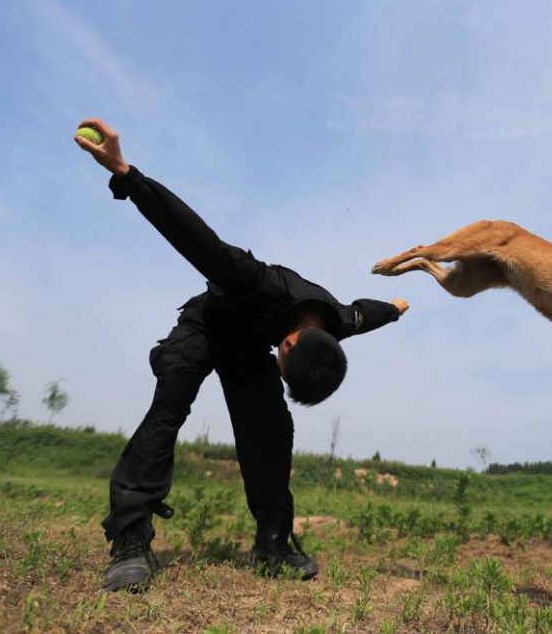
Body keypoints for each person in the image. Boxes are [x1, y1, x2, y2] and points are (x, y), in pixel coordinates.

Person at [74, 118, 409, 592]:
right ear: (288, 345)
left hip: (245, 346)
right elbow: (194, 236)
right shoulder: (255, 281)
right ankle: (130, 537)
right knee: (169, 405)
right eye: (284, 369)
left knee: (272, 426)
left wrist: (394, 309)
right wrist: (126, 175)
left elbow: (363, 313)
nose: (281, 366)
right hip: (207, 323)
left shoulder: (336, 324)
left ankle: (273, 541)